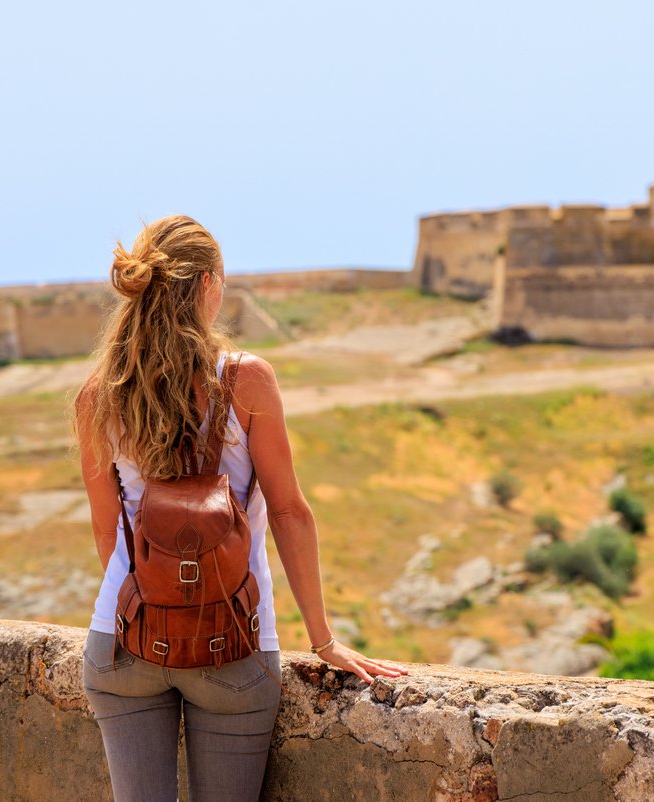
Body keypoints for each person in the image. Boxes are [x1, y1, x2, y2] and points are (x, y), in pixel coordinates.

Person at [73, 214, 406, 802]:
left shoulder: (98, 396)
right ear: (206, 285)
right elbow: (289, 513)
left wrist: (155, 601)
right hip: (233, 644)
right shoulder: (246, 380)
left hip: (123, 640)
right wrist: (323, 640)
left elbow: (109, 529)